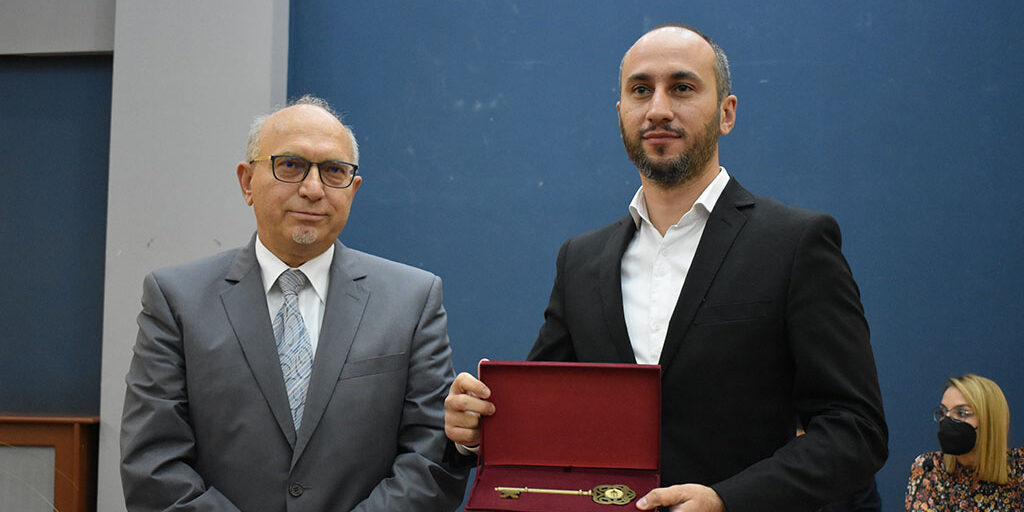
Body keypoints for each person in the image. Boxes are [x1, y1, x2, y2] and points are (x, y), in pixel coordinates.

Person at [444, 24, 887, 512]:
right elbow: (546, 419)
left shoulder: (795, 243)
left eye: (681, 87)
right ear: (620, 114)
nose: (658, 108)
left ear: (726, 113)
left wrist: (727, 500)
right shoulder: (581, 262)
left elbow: (856, 429)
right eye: (640, 90)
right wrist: (476, 429)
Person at [120, 95, 468, 511]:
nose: (313, 189)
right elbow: (154, 464)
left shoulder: (412, 301)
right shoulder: (177, 300)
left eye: (334, 171)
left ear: (353, 190)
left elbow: (431, 460)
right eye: (290, 165)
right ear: (247, 181)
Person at [905, 374, 1023, 511]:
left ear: (990, 421)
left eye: (962, 413)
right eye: (943, 412)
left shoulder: (1019, 467)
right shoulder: (930, 468)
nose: (946, 420)